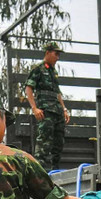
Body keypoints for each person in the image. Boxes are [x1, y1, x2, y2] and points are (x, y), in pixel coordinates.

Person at [24, 42, 70, 170]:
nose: (57, 57)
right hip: (46, 111)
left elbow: (57, 93)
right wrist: (34, 108)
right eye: (56, 54)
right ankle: (39, 172)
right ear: (47, 53)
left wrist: (64, 109)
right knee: (44, 142)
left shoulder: (53, 72)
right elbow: (28, 88)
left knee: (59, 143)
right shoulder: (38, 69)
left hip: (57, 111)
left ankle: (55, 170)